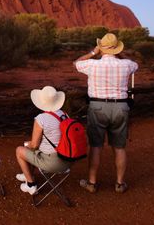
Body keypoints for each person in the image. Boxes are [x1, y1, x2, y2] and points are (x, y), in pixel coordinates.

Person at [74, 33, 138, 193]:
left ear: (101, 47)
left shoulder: (91, 65)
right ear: (117, 48)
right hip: (120, 108)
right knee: (119, 147)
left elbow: (76, 63)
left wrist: (94, 52)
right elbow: (135, 65)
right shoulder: (127, 64)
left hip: (98, 107)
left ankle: (92, 183)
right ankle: (119, 184)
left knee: (96, 146)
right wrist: (119, 54)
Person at [15, 86, 71, 195]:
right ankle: (27, 174)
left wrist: (27, 144)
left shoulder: (41, 118)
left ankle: (30, 184)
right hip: (68, 161)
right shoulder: (64, 115)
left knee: (20, 150)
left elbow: (34, 145)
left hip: (53, 163)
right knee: (35, 150)